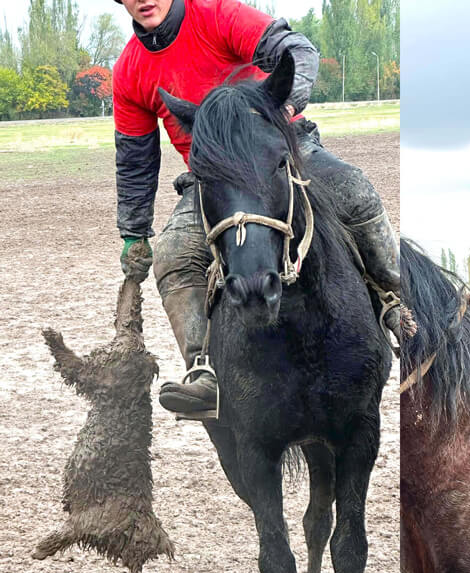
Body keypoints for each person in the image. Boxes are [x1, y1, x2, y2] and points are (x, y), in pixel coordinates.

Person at [112, 0, 409, 418]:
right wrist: (133, 231)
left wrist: (282, 107)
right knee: (174, 253)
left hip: (280, 151)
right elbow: (135, 158)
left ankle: (398, 303)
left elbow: (298, 50)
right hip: (213, 179)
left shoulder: (217, 15)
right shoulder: (129, 70)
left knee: (356, 190)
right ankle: (201, 371)